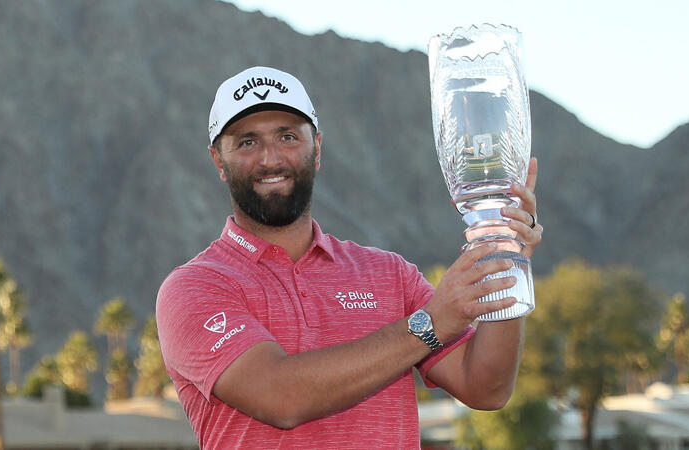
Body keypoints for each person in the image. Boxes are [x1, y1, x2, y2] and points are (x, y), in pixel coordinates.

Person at [156, 66, 543, 449]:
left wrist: (507, 260)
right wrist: (431, 323)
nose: (270, 158)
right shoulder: (195, 287)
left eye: (288, 136)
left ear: (317, 149)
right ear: (218, 161)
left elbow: (486, 388)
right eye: (247, 142)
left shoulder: (389, 274)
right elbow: (280, 396)